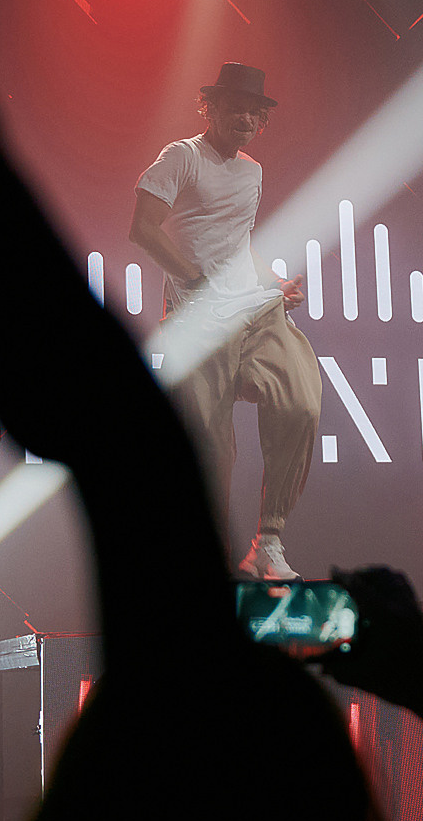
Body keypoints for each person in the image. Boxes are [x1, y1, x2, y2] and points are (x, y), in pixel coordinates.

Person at [128, 63, 320, 579]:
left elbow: (238, 248)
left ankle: (269, 541)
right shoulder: (181, 157)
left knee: (300, 401)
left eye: (255, 111)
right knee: (212, 449)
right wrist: (194, 282)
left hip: (255, 308)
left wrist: (274, 281)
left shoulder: (253, 172)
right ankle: (203, 563)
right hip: (199, 321)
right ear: (209, 108)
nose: (246, 117)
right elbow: (143, 228)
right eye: (235, 106)